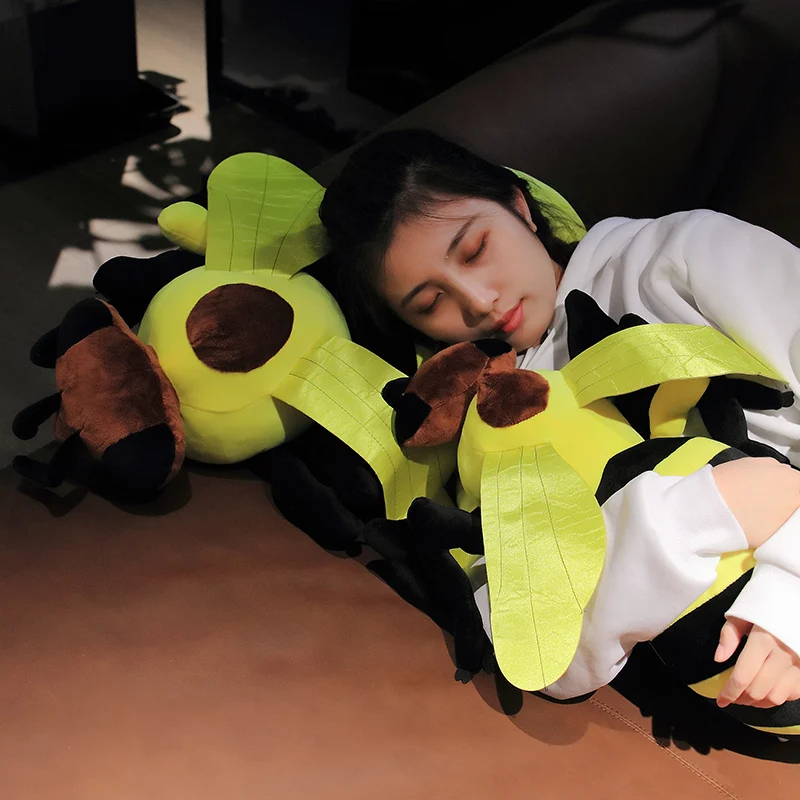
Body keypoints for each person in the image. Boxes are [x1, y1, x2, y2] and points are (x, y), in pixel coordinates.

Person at [318, 128, 800, 710]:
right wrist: (708, 513)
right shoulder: (496, 421)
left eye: (475, 250)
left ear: (519, 206)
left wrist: (788, 594)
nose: (478, 301)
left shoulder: (679, 256)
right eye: (430, 303)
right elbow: (535, 645)